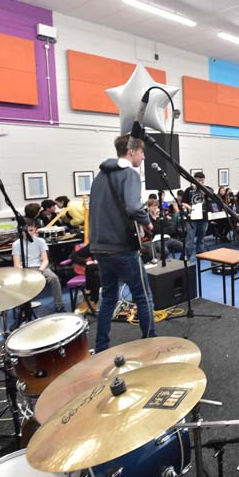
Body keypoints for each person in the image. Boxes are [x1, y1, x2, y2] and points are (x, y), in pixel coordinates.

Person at [89, 134, 156, 353]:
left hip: (100, 247)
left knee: (109, 298)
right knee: (143, 297)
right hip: (121, 248)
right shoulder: (129, 174)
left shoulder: (100, 176)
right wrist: (148, 223)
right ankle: (151, 345)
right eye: (142, 152)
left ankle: (101, 348)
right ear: (131, 151)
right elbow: (134, 207)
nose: (143, 157)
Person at [12, 220, 65, 313]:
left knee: (54, 278)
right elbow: (17, 264)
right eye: (26, 231)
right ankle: (24, 309)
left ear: (35, 230)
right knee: (19, 283)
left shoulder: (41, 241)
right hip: (24, 270)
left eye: (31, 230)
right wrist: (27, 272)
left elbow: (45, 260)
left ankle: (59, 305)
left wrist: (40, 270)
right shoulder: (16, 244)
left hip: (40, 268)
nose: (28, 233)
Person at [182, 172, 213, 258]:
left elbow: (211, 197)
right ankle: (187, 257)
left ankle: (200, 255)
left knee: (201, 238)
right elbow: (183, 202)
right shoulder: (188, 190)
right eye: (199, 180)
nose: (201, 182)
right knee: (190, 239)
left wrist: (203, 190)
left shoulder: (207, 189)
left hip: (203, 217)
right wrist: (189, 207)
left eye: (202, 180)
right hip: (192, 218)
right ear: (194, 180)